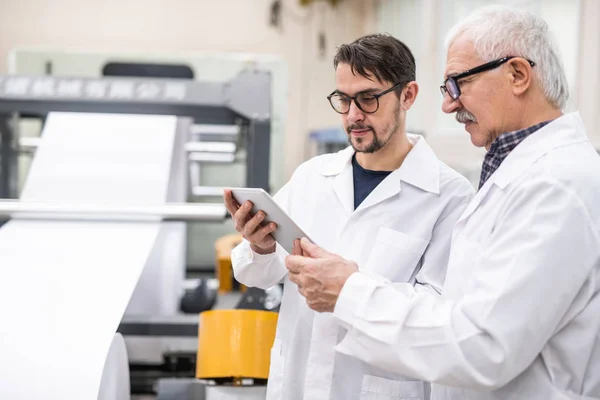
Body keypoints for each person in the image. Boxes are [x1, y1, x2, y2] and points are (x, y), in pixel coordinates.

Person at [285, 5, 600, 400]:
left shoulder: (557, 186)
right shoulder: (518, 174)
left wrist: (350, 292)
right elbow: (460, 313)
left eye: (457, 84)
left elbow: (484, 345)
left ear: (517, 75)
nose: (448, 106)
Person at [223, 33, 474, 400]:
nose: (353, 115)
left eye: (369, 99)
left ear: (408, 95)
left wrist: (350, 288)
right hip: (296, 386)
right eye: (344, 99)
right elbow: (258, 275)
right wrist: (259, 247)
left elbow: (439, 321)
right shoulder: (313, 176)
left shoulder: (449, 197)